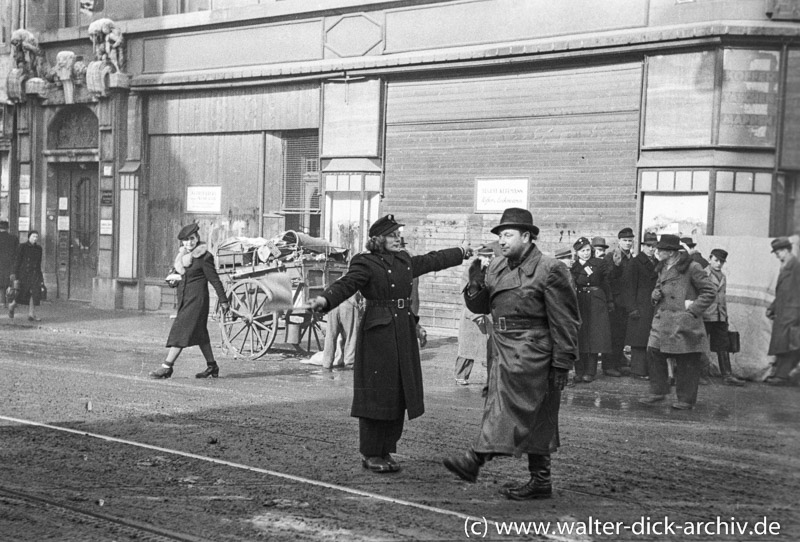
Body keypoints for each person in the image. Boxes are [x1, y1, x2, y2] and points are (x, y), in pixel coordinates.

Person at [309, 214, 472, 474]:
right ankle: (371, 452)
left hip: (402, 332)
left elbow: (432, 261)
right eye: (393, 235)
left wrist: (461, 252)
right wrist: (325, 301)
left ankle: (386, 450)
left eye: (399, 235)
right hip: (377, 334)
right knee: (376, 393)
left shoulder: (404, 261)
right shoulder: (365, 262)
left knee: (398, 393)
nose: (399, 239)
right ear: (378, 239)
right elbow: (346, 285)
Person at [442, 207, 580, 500]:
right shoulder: (497, 267)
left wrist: (562, 363)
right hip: (503, 347)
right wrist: (476, 284)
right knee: (537, 417)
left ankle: (474, 459)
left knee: (506, 407)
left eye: (508, 234)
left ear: (527, 236)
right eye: (500, 235)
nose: (502, 241)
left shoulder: (550, 268)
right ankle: (541, 481)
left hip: (533, 351)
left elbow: (566, 320)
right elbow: (480, 307)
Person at [639, 234, 715, 410]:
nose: (656, 252)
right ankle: (658, 391)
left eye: (660, 249)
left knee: (687, 359)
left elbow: (709, 292)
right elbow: (659, 286)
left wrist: (693, 308)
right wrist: (654, 295)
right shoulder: (662, 267)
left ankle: (686, 399)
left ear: (671, 252)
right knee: (653, 350)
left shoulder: (693, 267)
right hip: (663, 320)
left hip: (684, 321)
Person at [149, 223, 229, 379]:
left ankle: (167, 367)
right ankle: (212, 366)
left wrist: (223, 300)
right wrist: (173, 280)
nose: (189, 243)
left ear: (197, 238)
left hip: (197, 301)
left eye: (191, 239)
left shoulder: (205, 257)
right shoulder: (182, 257)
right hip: (185, 300)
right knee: (201, 335)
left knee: (180, 331)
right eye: (185, 240)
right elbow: (182, 278)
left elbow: (215, 280)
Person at [570, 236, 612, 383]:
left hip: (596, 302)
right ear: (577, 252)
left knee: (594, 337)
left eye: (588, 250)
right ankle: (579, 371)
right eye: (582, 251)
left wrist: (609, 301)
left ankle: (590, 371)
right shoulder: (573, 267)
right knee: (580, 336)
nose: (586, 253)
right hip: (580, 302)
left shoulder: (599, 264)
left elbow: (606, 283)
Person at [453, 245, 497, 386]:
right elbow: (465, 294)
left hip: (488, 313)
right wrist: (473, 315)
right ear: (480, 257)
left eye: (491, 257)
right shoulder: (471, 270)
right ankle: (461, 375)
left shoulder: (493, 271)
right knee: (467, 348)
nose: (490, 260)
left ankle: (492, 377)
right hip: (471, 315)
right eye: (487, 257)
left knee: (489, 348)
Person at [702, 249, 744, 386]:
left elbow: (722, 298)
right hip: (705, 315)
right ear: (710, 259)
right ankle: (700, 375)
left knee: (723, 345)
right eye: (716, 260)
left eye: (722, 261)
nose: (719, 264)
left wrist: (725, 316)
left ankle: (727, 375)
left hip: (720, 316)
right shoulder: (703, 274)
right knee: (701, 345)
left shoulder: (723, 276)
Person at [765, 237, 800, 386]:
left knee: (788, 343)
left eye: (778, 252)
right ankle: (782, 374)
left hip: (792, 311)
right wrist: (772, 308)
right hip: (784, 311)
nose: (777, 255)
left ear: (786, 251)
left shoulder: (796, 266)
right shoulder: (787, 265)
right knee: (785, 342)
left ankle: (782, 376)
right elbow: (782, 292)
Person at [624, 231, 658, 379]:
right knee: (639, 340)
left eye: (654, 246)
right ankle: (638, 371)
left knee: (648, 339)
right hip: (639, 307)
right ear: (643, 246)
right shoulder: (635, 262)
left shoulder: (656, 263)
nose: (651, 249)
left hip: (651, 307)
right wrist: (632, 308)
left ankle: (647, 370)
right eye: (648, 246)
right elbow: (628, 287)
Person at [603, 227, 636, 377]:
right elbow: (607, 279)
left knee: (621, 335)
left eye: (630, 241)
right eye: (625, 241)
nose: (628, 243)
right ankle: (608, 366)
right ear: (619, 241)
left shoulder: (631, 258)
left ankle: (618, 363)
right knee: (612, 335)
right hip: (614, 302)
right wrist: (610, 300)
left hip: (625, 303)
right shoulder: (611, 257)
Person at [9, 231, 44, 322]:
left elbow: (39, 263)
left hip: (35, 274)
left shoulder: (39, 248)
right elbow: (17, 260)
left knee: (35, 293)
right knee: (22, 293)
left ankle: (31, 314)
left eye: (36, 237)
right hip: (24, 274)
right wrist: (14, 273)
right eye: (33, 236)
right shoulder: (22, 246)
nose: (35, 238)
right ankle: (12, 305)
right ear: (29, 237)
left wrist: (40, 277)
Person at [321, 293, 362, 371]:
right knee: (351, 335)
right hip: (348, 304)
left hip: (333, 305)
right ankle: (350, 363)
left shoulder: (338, 280)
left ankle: (326, 363)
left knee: (330, 335)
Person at [0, 220, 18, 308]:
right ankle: (10, 301)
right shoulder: (14, 238)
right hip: (10, 263)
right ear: (8, 228)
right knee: (9, 282)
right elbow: (17, 253)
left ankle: (2, 302)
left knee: (1, 284)